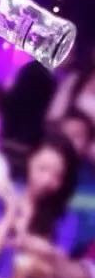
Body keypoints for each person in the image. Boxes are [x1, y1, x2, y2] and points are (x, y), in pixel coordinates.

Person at [0, 133, 78, 278]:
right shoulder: (1, 198)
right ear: (29, 160)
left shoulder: (65, 220)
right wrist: (10, 212)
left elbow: (51, 276)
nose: (47, 180)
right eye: (42, 169)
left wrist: (25, 241)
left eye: (57, 176)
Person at [53, 108, 95, 255]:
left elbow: (81, 239)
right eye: (63, 134)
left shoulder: (90, 190)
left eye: (76, 136)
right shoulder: (38, 168)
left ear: (87, 145)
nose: (68, 140)